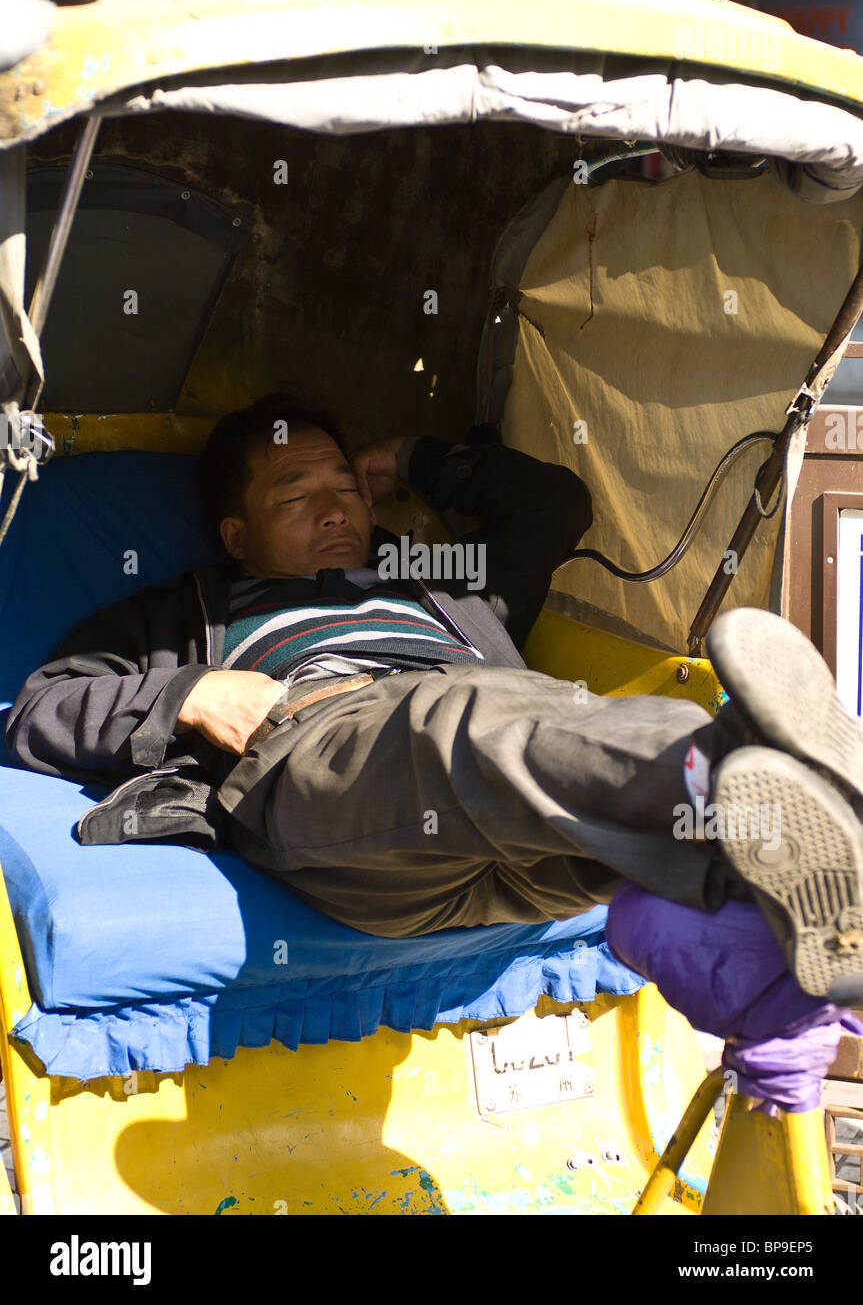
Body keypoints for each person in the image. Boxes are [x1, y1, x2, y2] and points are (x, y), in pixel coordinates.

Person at [7, 391, 863, 1006]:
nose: (334, 508)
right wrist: (193, 692)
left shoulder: (436, 583)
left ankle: (802, 884)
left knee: (579, 761)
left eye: (344, 485)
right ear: (237, 535)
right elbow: (38, 710)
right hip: (344, 795)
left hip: (520, 847)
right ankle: (750, 778)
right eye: (296, 495)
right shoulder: (185, 610)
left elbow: (550, 505)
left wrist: (412, 459)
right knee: (459, 722)